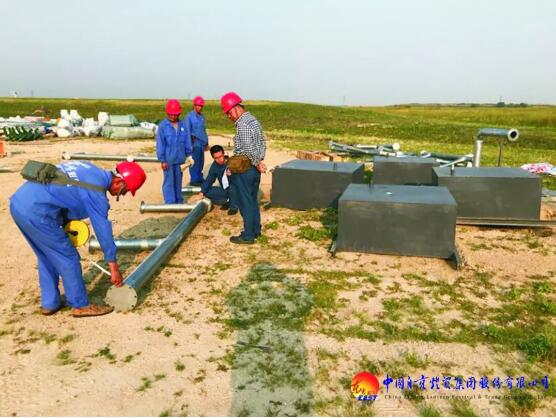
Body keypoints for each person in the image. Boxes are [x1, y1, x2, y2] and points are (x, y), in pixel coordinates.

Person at [9, 160, 147, 317]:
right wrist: (114, 268)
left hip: (19, 204)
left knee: (47, 255)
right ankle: (80, 305)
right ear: (118, 181)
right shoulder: (96, 191)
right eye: (124, 191)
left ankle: (50, 303)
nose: (122, 195)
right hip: (38, 213)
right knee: (68, 257)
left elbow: (64, 192)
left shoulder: (90, 169)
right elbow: (103, 230)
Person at [220, 92, 266, 244]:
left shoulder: (242, 124)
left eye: (229, 112)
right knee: (252, 201)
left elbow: (248, 148)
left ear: (236, 107)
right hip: (254, 170)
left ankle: (248, 236)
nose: (228, 116)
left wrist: (257, 162)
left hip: (246, 169)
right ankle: (256, 230)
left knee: (245, 203)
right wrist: (259, 161)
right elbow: (262, 143)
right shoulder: (253, 120)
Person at [157, 99, 194, 203]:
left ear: (179, 113)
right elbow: (160, 144)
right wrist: (162, 160)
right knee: (169, 182)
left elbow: (187, 141)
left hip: (180, 160)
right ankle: (170, 202)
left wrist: (189, 155)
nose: (173, 116)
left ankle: (178, 200)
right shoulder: (163, 126)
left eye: (175, 114)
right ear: (167, 113)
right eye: (171, 114)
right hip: (168, 160)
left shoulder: (183, 126)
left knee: (178, 181)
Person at [194, 145, 238, 215]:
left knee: (233, 188)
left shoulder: (233, 162)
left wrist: (233, 174)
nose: (219, 159)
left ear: (223, 154)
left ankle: (234, 206)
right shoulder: (214, 166)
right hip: (225, 190)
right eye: (216, 158)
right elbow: (209, 180)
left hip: (236, 190)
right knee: (207, 191)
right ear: (213, 158)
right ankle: (229, 200)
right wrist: (201, 193)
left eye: (220, 156)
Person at [186, 96, 209, 186]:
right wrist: (189, 145)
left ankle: (199, 178)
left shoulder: (201, 117)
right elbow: (187, 131)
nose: (200, 107)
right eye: (198, 105)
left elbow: (203, 130)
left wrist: (206, 142)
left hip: (201, 143)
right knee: (194, 162)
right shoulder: (189, 117)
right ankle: (194, 179)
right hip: (194, 142)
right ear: (194, 105)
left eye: (201, 106)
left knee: (200, 162)